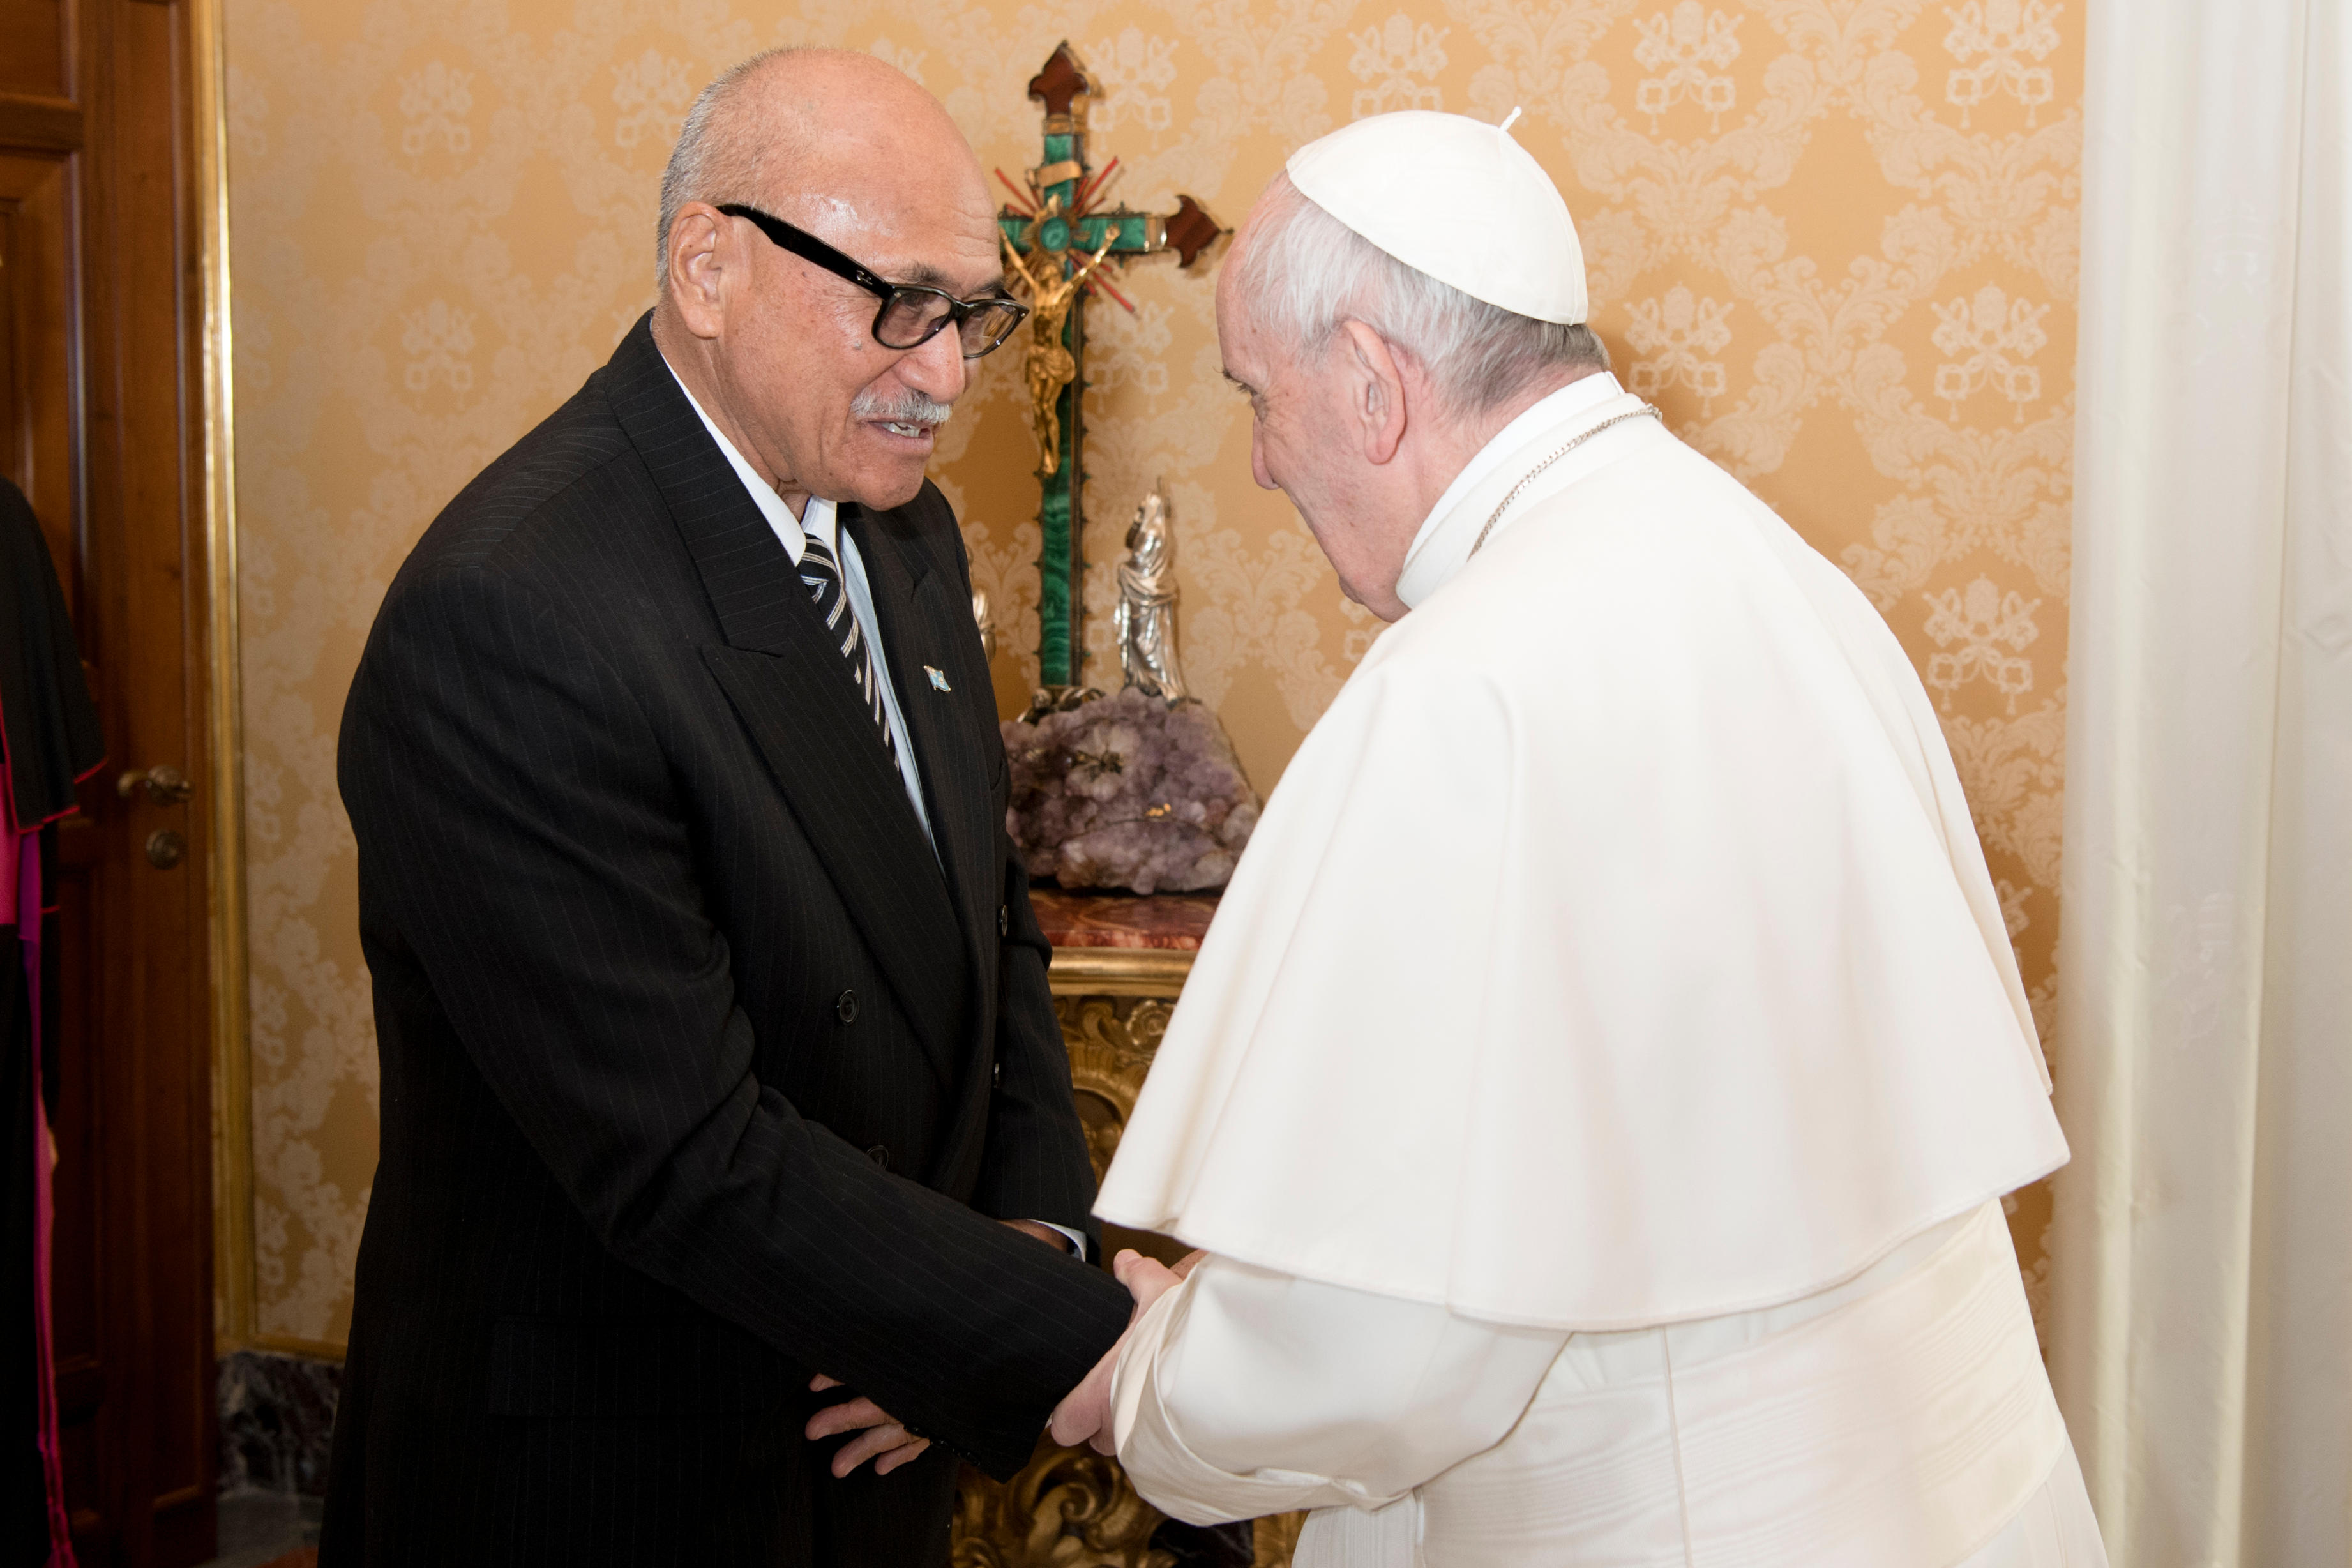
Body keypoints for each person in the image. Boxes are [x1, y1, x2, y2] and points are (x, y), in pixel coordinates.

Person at [1050, 110, 2111, 1567]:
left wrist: (1162, 1388)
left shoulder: (1462, 687)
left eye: (1258, 397)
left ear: (1371, 382)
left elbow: (1386, 1340)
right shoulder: (1772, 567)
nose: (1259, 467)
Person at [324, 50, 1131, 1566]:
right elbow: (681, 1154)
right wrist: (1019, 1324)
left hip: (869, 1437)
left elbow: (986, 927)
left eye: (972, 314)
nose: (948, 377)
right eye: (900, 304)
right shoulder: (512, 610)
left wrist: (1023, 1239)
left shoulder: (901, 532)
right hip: (616, 1478)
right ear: (710, 268)